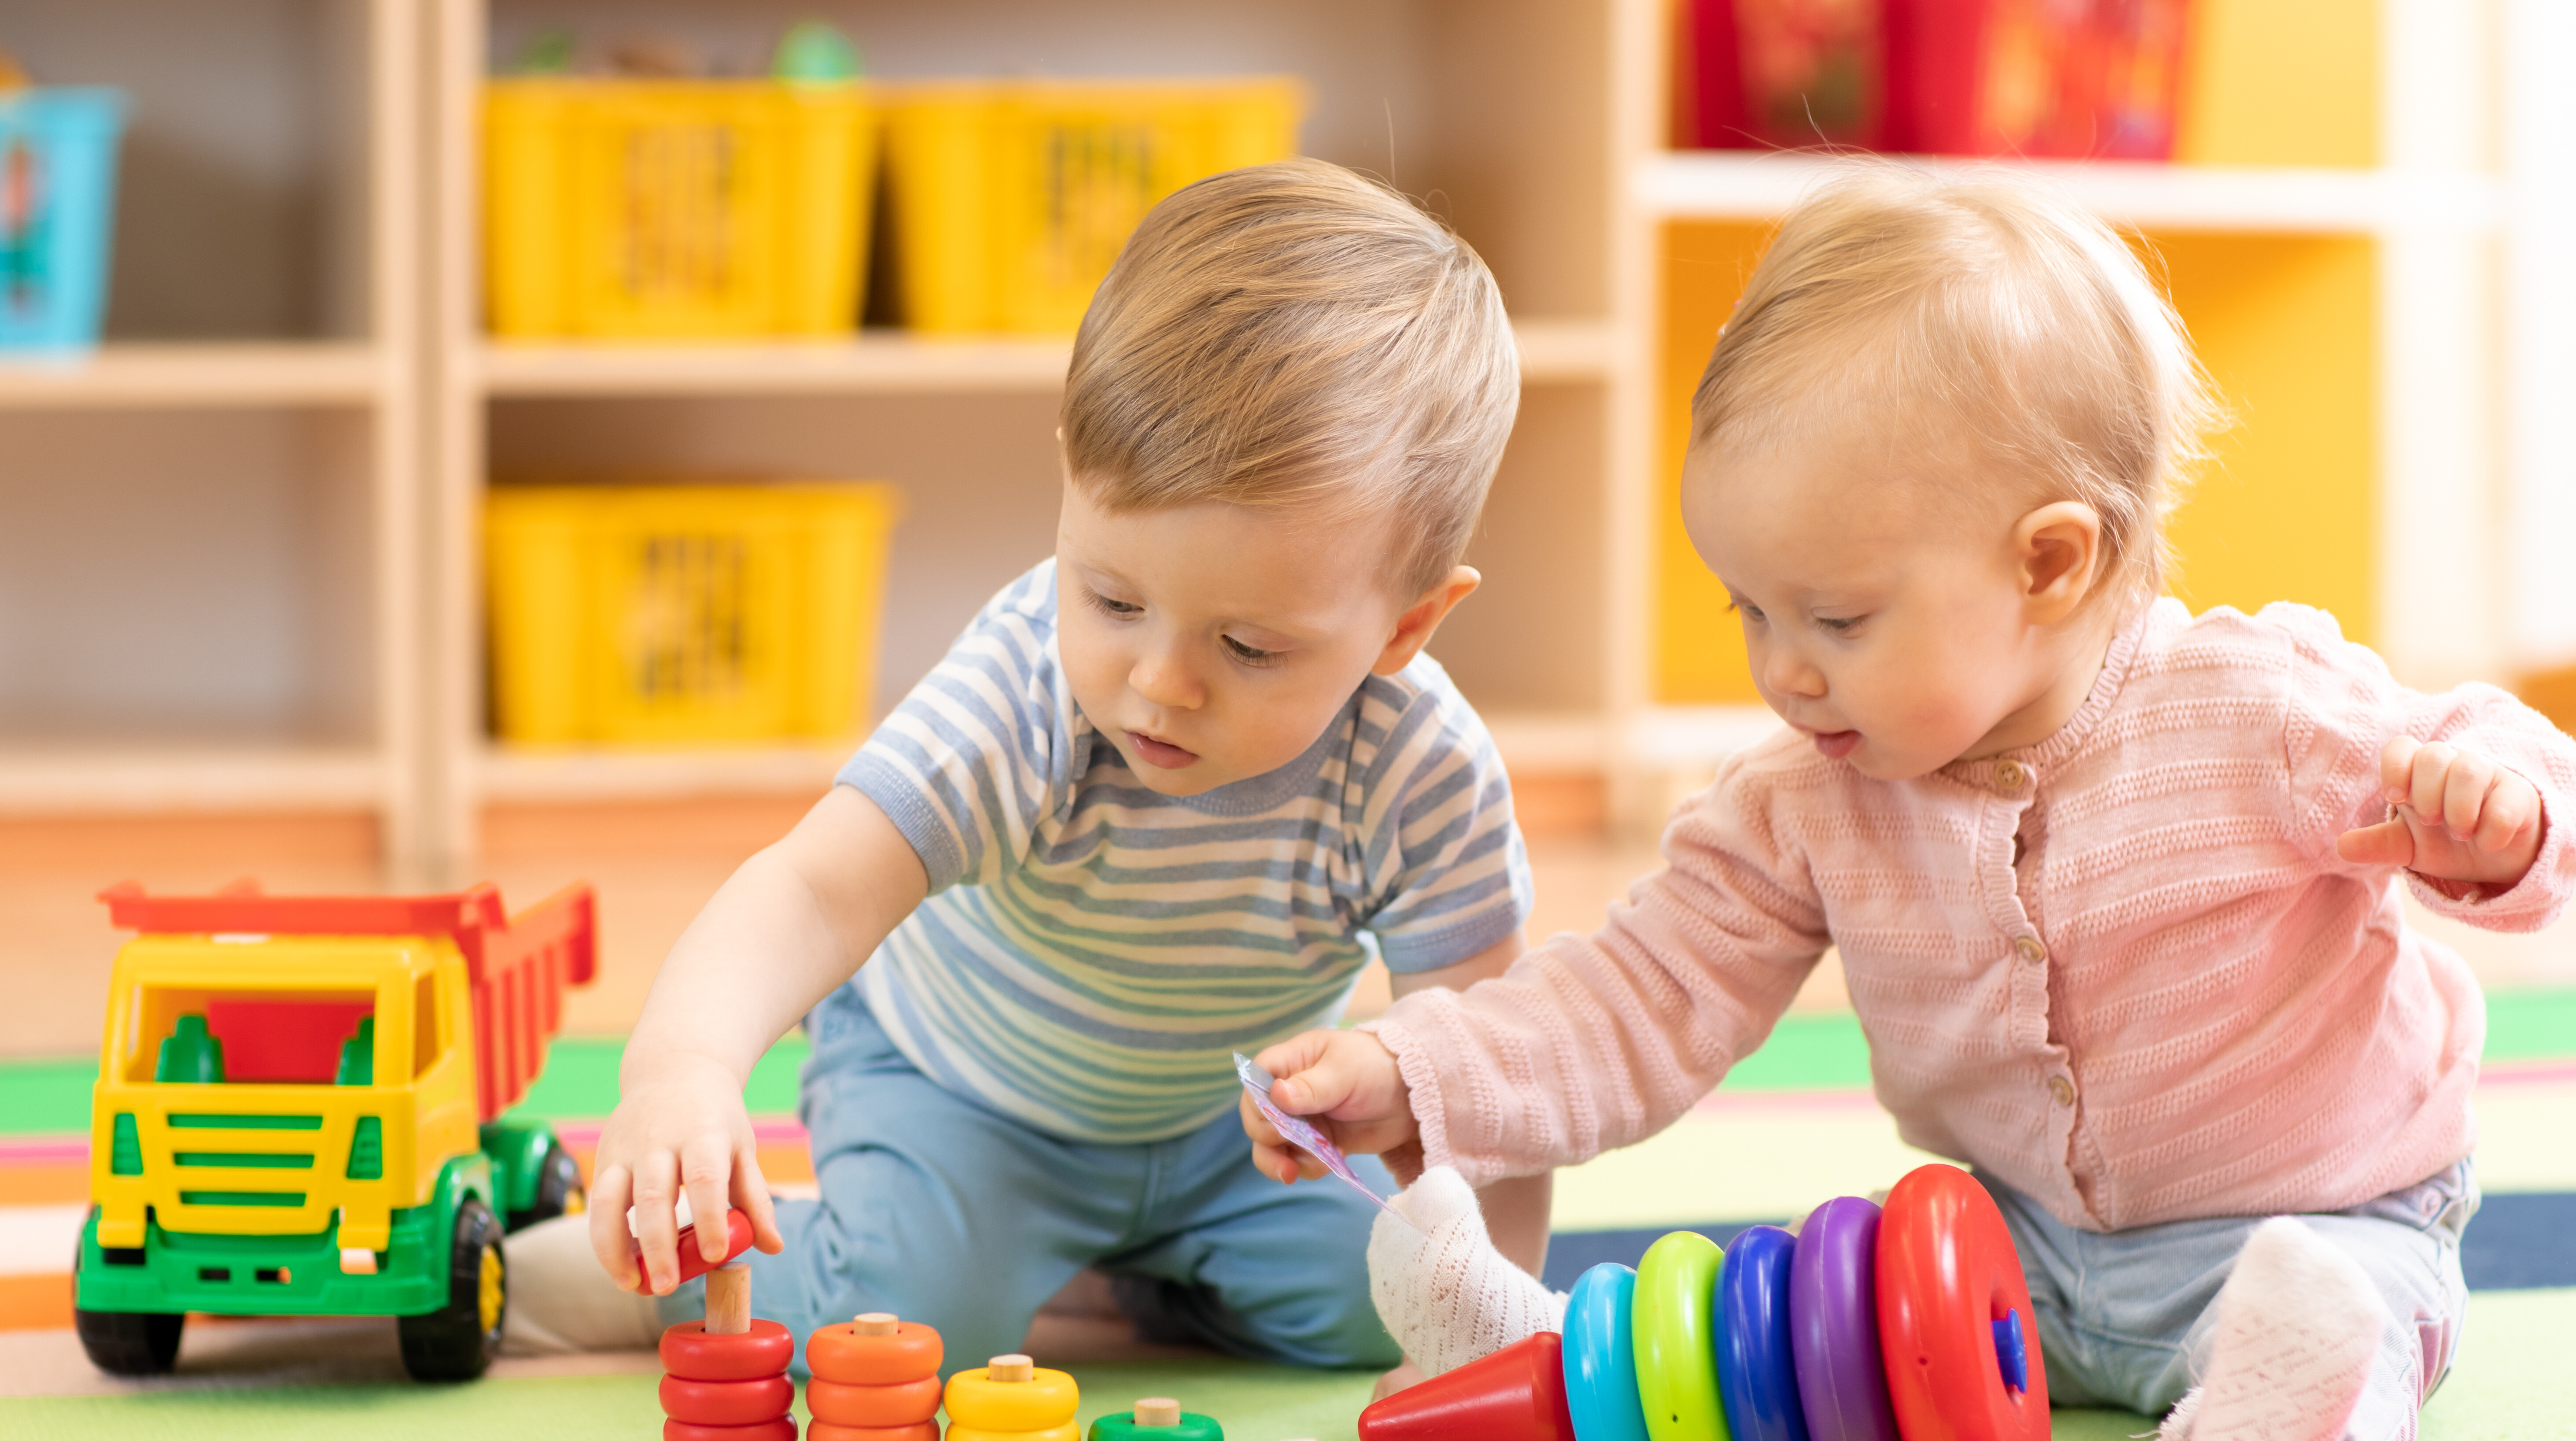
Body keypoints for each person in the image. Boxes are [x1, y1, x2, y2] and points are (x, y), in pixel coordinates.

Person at [1245, 163, 2575, 1441]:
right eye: (1750, 610)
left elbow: (2495, 758)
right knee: (1810, 1329)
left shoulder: (2254, 710)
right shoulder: (1803, 800)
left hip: (2313, 1225)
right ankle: (1542, 1359)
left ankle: (2277, 1409)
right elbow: (1636, 995)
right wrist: (1414, 1071)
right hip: (2009, 1251)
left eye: (1835, 616)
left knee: (2349, 1326)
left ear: (2048, 564)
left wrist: (2497, 812)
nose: (1782, 669)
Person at [499, 158, 1553, 1376]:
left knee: (1390, 1301)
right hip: (961, 1093)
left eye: (1249, 645)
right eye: (1108, 595)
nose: (1159, 680)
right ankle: (662, 1281)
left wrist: (1492, 1311)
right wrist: (680, 1070)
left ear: (1407, 628)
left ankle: (1143, 1273)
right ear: (1068, 480)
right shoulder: (1023, 697)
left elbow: (1479, 1068)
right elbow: (807, 891)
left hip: (1231, 1129)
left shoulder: (1422, 770)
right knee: (905, 1330)